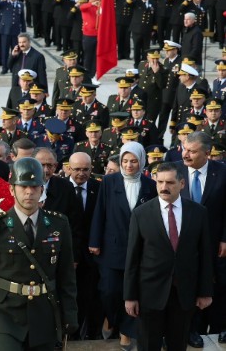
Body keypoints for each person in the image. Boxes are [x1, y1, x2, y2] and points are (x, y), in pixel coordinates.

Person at [0, 158, 78, 350]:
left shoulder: (59, 224)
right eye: (23, 186)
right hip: (5, 313)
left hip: (44, 312)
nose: (29, 192)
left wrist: (70, 313)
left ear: (42, 190)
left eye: (35, 187)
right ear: (12, 189)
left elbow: (66, 274)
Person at [124, 162, 213, 351]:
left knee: (178, 344)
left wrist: (205, 292)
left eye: (170, 182)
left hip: (184, 292)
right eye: (160, 182)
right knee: (148, 345)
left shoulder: (198, 213)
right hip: (150, 293)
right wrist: (130, 296)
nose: (164, 187)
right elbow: (132, 258)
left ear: (182, 184)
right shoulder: (140, 214)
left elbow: (205, 255)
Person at [89, 142, 157, 350]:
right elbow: (100, 211)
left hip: (139, 250)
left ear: (141, 162)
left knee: (132, 292)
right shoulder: (108, 182)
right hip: (112, 247)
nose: (129, 165)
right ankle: (111, 318)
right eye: (125, 161)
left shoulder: (150, 185)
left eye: (134, 161)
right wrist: (94, 241)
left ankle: (126, 332)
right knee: (109, 290)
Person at [177, 131, 226, 346]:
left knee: (222, 284)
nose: (185, 155)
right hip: (185, 242)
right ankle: (191, 330)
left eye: (192, 151)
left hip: (217, 242)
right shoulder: (175, 171)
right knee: (190, 284)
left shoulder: (222, 172)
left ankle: (222, 327)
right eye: (184, 149)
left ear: (207, 153)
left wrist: (225, 238)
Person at [68, 152, 103, 340]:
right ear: (68, 169)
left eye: (85, 169)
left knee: (91, 296)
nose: (81, 173)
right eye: (77, 169)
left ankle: (92, 332)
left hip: (92, 253)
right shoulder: (61, 187)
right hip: (68, 254)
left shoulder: (99, 188)